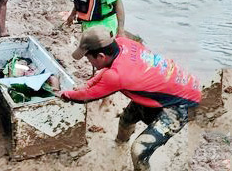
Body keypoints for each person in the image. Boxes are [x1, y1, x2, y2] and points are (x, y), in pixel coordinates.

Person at [56, 26, 201, 171]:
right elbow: (106, 70)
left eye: (89, 59)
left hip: (184, 104)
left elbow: (85, 97)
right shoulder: (123, 43)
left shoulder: (117, 76)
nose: (89, 63)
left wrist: (65, 94)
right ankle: (119, 145)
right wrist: (88, 83)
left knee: (138, 151)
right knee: (126, 119)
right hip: (169, 86)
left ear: (101, 56)